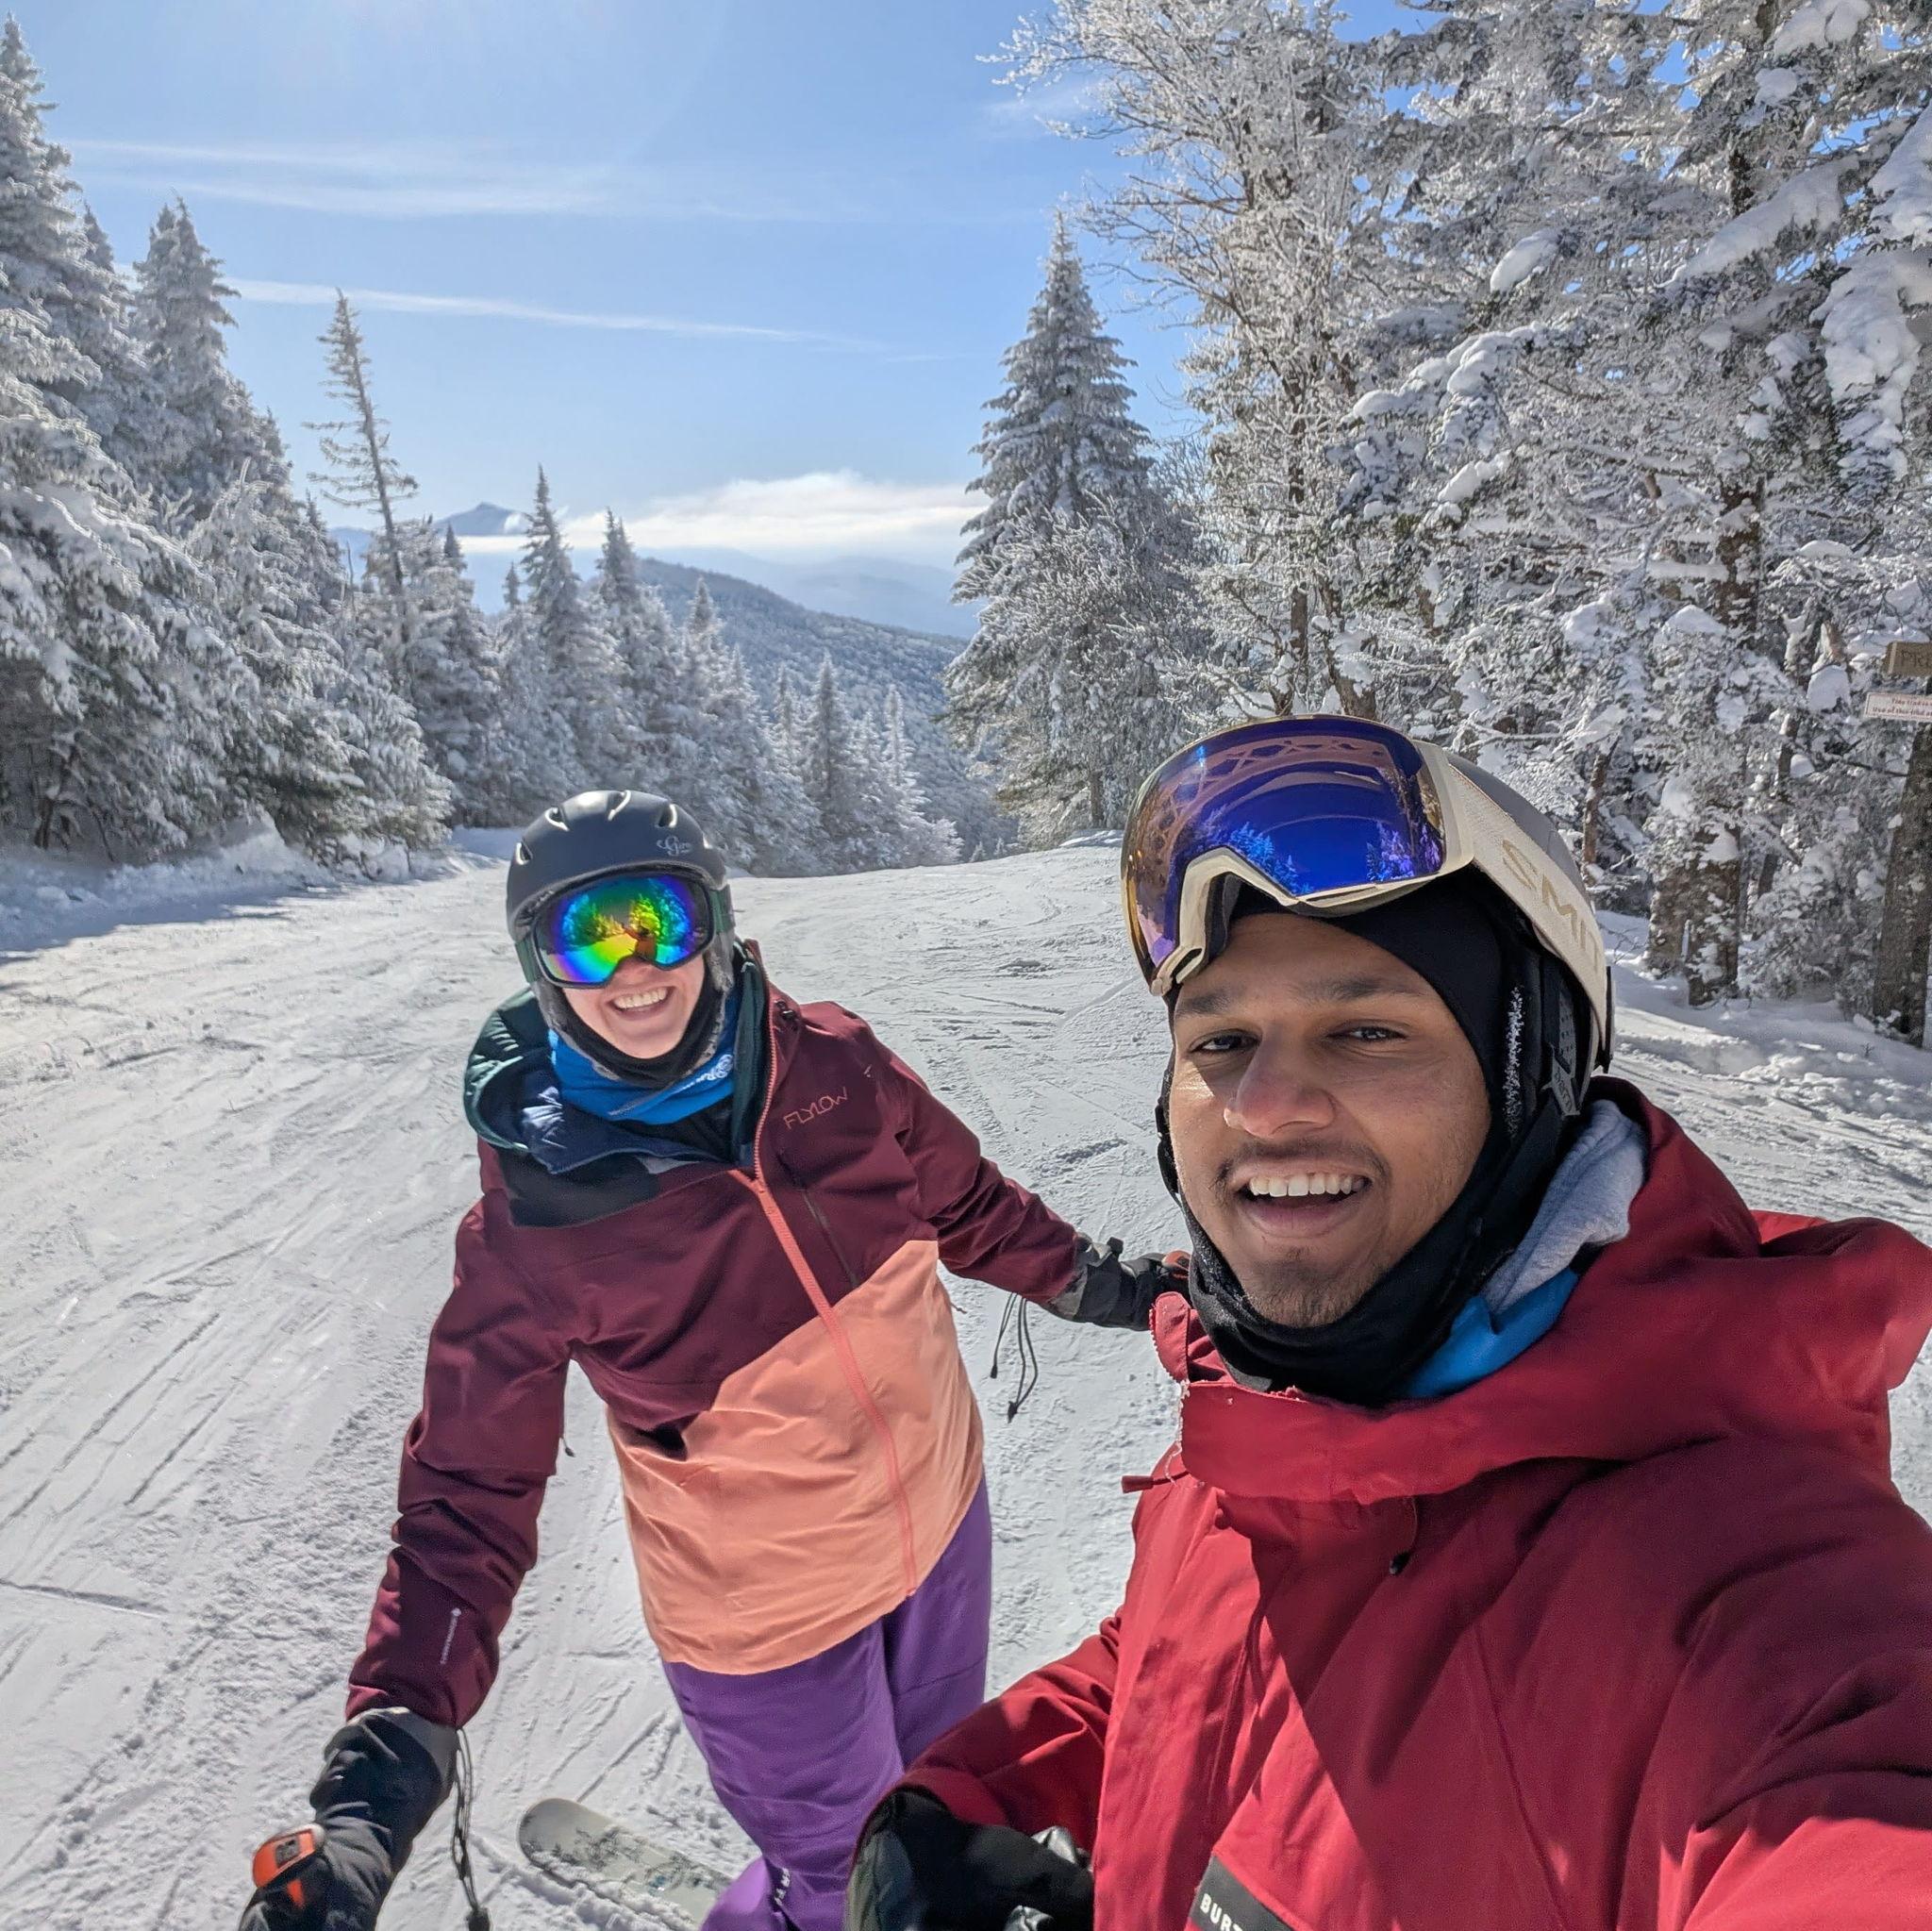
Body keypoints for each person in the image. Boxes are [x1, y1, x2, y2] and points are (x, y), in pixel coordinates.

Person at [847, 717, 1932, 1931]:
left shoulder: (1749, 1601)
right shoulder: (1274, 1427)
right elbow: (1192, 1660)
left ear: (1529, 1071)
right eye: (1219, 1040)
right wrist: (969, 1798)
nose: (1263, 1105)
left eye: (1365, 1030)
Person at [238, 790, 1179, 1931]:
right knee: (842, 1886)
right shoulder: (537, 1221)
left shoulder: (835, 1066)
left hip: (940, 1538)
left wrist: (1124, 1289)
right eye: (587, 937)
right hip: (767, 1623)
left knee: (933, 1824)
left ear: (717, 922)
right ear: (540, 965)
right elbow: (465, 1495)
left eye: (659, 920)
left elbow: (970, 1206)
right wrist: (379, 1777)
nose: (634, 969)